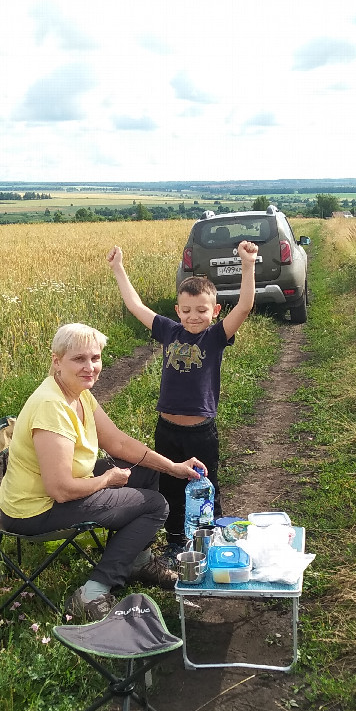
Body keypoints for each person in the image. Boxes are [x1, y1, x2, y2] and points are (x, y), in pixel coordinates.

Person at [0, 323, 209, 621]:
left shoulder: (79, 393)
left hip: (57, 490)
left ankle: (137, 560)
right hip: (34, 509)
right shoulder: (51, 407)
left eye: (95, 358)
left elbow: (119, 442)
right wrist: (107, 480)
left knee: (147, 474)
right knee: (155, 506)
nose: (90, 367)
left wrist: (173, 467)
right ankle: (93, 591)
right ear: (57, 361)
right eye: (79, 359)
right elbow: (60, 489)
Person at [106, 239, 259, 561]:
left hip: (201, 432)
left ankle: (209, 538)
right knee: (171, 487)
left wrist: (248, 265)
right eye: (186, 310)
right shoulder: (169, 331)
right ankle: (176, 541)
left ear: (215, 311)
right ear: (177, 310)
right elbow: (136, 306)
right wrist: (118, 268)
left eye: (202, 310)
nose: (193, 317)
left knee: (207, 485)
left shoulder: (216, 336)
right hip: (167, 429)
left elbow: (244, 306)